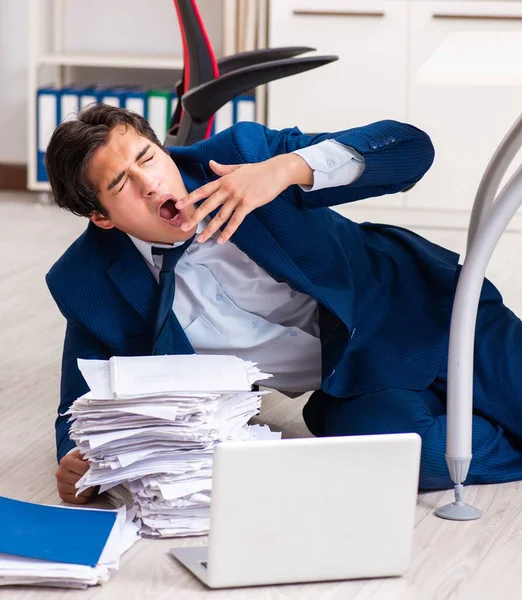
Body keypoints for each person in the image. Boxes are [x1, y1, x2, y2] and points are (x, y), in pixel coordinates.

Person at [46, 104, 522, 505]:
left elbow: (412, 148)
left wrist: (286, 169)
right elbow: (78, 406)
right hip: (352, 389)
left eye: (147, 158)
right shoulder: (87, 279)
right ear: (101, 217)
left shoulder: (242, 157)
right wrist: (78, 462)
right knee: (416, 457)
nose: (148, 183)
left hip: (421, 310)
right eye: (120, 184)